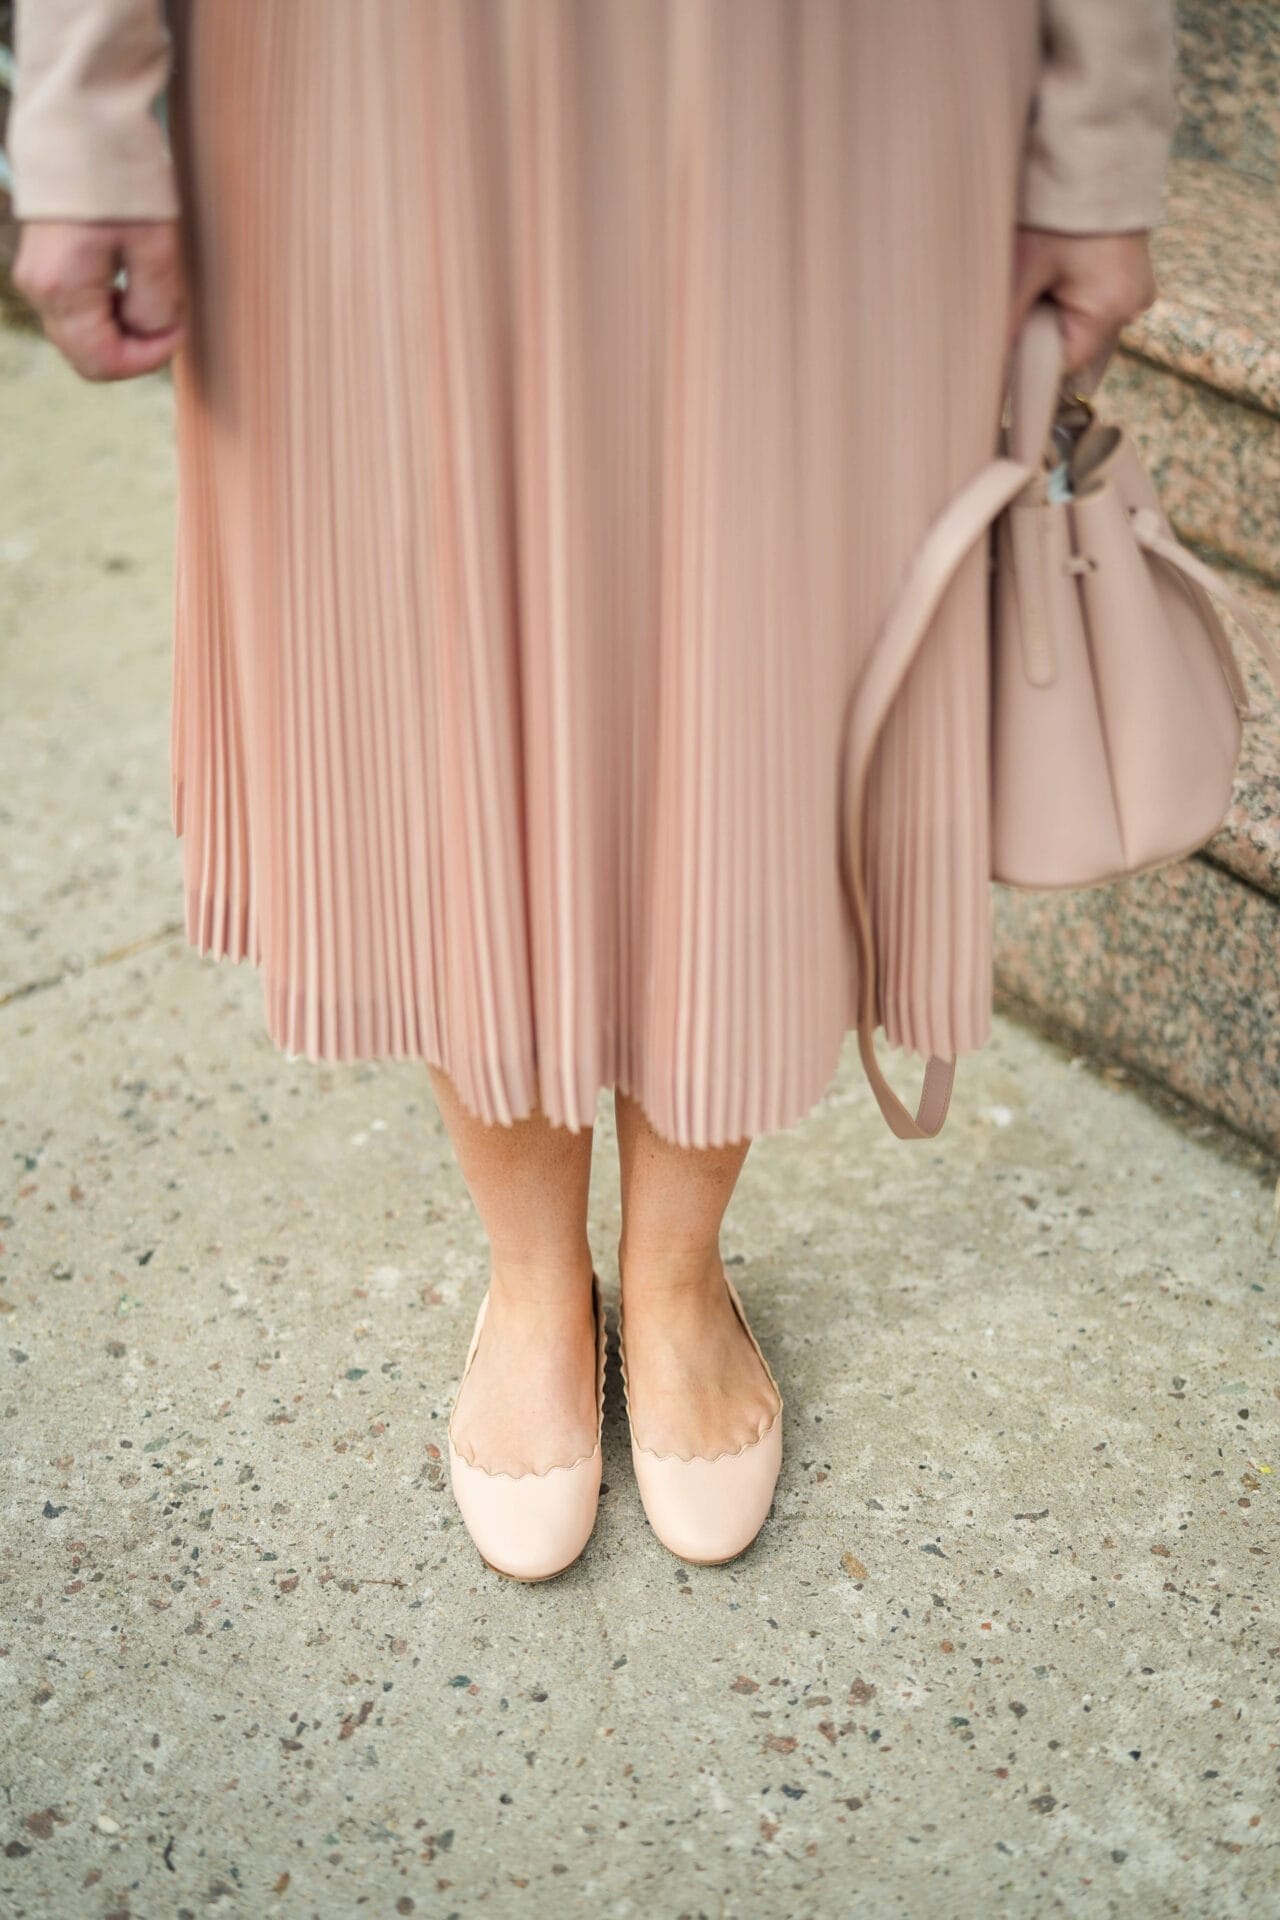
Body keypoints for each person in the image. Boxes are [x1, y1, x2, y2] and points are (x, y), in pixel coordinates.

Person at [9, 0, 1175, 1581]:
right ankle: (533, 1278)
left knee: (767, 651)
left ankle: (678, 1275)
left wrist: (1098, 132)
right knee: (429, 655)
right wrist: (80, 103)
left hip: (833, 67)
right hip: (374, 65)